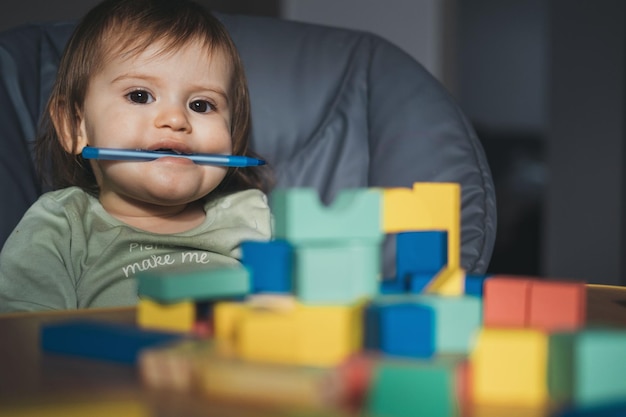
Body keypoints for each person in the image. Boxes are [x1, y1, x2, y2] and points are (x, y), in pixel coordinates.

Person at [0, 0, 273, 312]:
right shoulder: (60, 226)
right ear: (75, 127)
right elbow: (24, 341)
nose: (175, 119)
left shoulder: (252, 217)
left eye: (201, 105)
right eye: (139, 96)